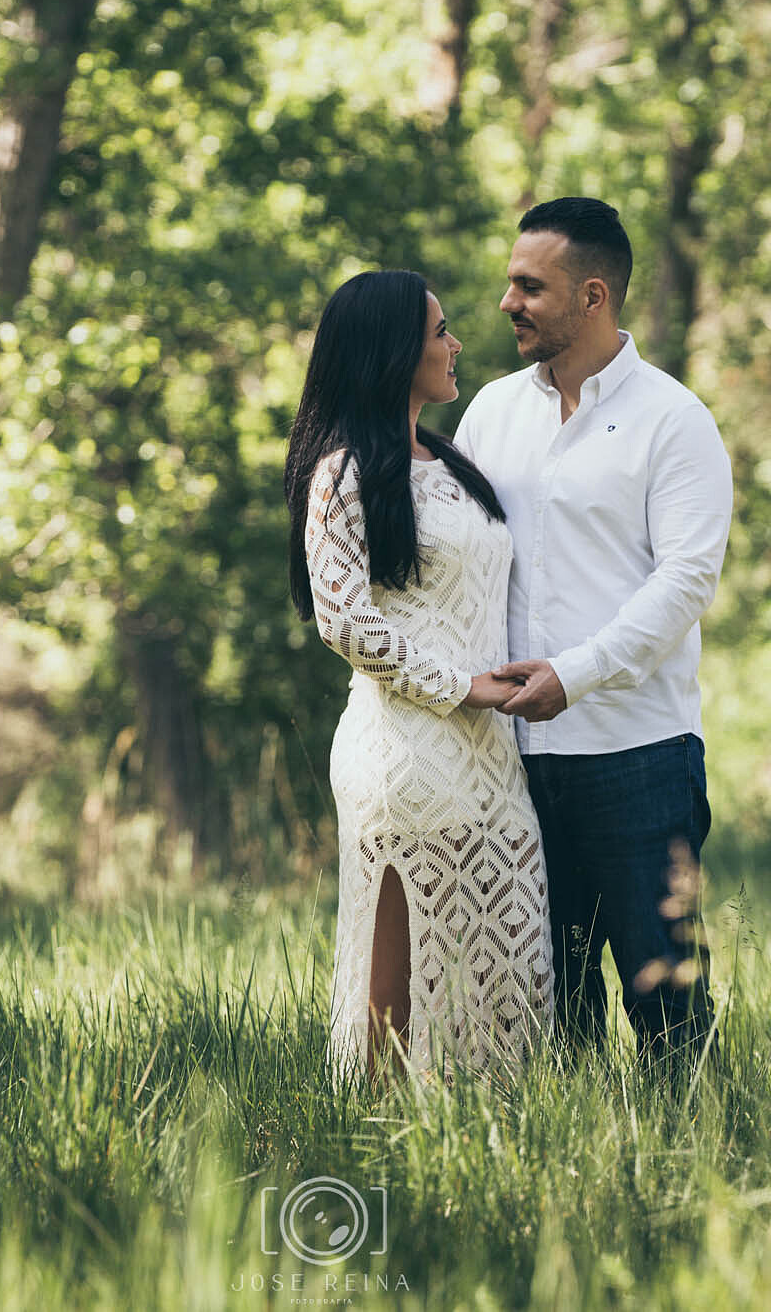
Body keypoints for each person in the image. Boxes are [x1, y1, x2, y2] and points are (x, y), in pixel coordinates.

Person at [453, 197, 734, 1061]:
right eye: (509, 283)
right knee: (546, 1007)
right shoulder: (491, 413)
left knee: (667, 1010)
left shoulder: (673, 420)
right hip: (508, 769)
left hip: (637, 755)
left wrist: (576, 672)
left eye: (529, 286)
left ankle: (700, 1173)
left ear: (593, 295)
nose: (507, 303)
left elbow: (686, 579)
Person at [285, 269, 554, 1081]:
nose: (456, 343)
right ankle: (379, 1140)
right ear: (392, 350)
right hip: (403, 752)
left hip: (490, 755)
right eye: (439, 331)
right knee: (399, 968)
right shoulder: (343, 472)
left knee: (510, 950)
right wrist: (462, 685)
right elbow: (343, 619)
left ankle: (490, 1128)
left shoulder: (452, 461)